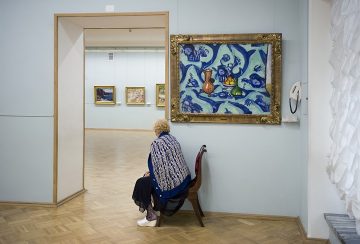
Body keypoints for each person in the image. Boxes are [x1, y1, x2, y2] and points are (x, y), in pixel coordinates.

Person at [132, 119, 191, 227]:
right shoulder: (172, 139)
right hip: (183, 178)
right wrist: (152, 172)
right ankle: (152, 212)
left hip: (174, 181)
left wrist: (152, 174)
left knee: (142, 183)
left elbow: (161, 166)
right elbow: (166, 163)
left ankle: (151, 217)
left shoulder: (157, 143)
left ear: (156, 130)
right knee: (145, 181)